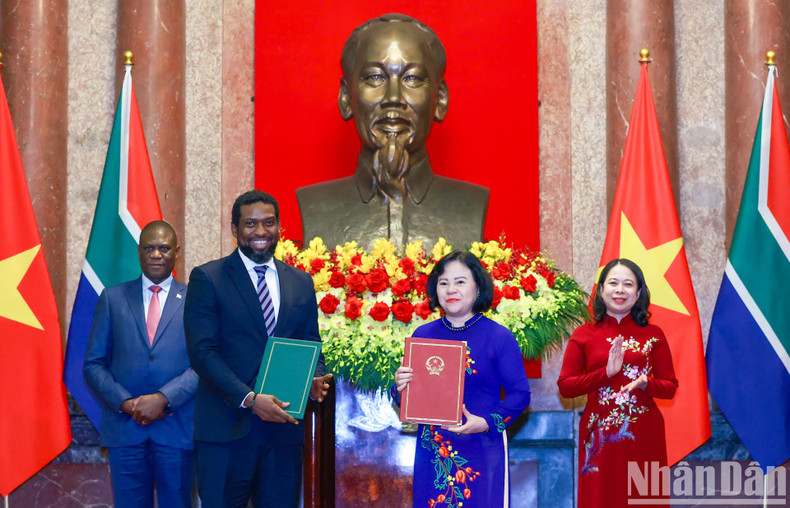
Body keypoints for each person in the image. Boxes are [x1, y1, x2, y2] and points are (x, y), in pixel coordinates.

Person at [184, 189, 333, 507]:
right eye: (250, 224)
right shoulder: (208, 278)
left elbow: (310, 343)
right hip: (225, 432)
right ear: (235, 229)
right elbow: (202, 353)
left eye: (269, 223)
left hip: (283, 434)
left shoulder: (300, 282)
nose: (261, 232)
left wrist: (315, 378)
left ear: (279, 227)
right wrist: (250, 399)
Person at [296, 13, 489, 250]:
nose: (394, 98)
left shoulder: (471, 204)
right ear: (346, 98)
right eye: (375, 78)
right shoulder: (315, 206)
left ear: (439, 99)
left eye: (412, 78)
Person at [393, 250, 531, 507]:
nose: (450, 289)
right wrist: (400, 385)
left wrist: (487, 422)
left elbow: (520, 394)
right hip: (434, 451)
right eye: (443, 283)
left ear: (478, 287)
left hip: (482, 445)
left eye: (460, 281)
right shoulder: (424, 334)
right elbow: (406, 399)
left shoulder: (498, 337)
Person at [83, 220, 197, 508]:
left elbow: (204, 363)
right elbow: (93, 364)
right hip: (126, 428)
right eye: (149, 248)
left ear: (177, 252)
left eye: (164, 248)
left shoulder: (196, 300)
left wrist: (163, 398)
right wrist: (127, 403)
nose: (156, 254)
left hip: (177, 427)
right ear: (139, 252)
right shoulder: (113, 298)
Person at [557, 258, 678, 508]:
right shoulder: (583, 334)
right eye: (613, 283)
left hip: (644, 433)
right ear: (601, 290)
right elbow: (566, 387)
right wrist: (606, 373)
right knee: (600, 497)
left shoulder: (654, 334)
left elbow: (670, 386)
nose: (620, 290)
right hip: (600, 434)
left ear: (639, 292)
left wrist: (647, 383)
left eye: (628, 284)